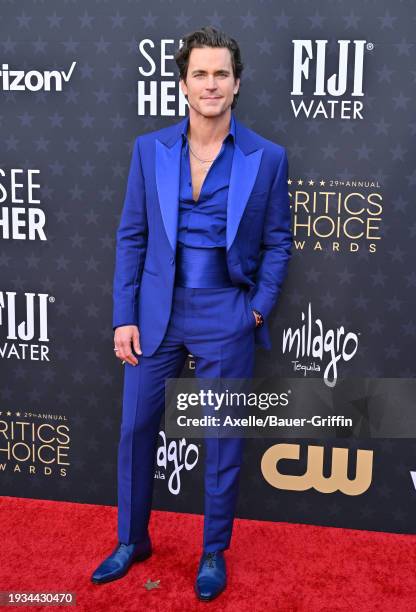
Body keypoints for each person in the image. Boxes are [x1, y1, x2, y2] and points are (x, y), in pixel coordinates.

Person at [91, 26, 292, 602]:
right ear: (182, 83)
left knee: (222, 439)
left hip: (226, 312)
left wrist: (254, 311)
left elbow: (279, 242)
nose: (211, 84)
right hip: (156, 312)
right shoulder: (149, 149)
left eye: (221, 74)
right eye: (200, 74)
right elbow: (132, 236)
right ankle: (132, 540)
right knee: (134, 429)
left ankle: (212, 551)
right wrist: (122, 315)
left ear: (237, 83)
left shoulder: (267, 157)